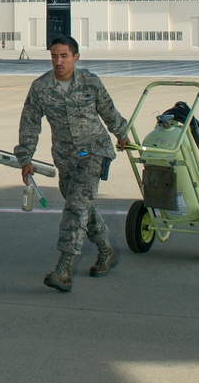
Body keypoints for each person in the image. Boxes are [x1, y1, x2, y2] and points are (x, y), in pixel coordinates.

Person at [15, 34, 130, 294]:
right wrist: (26, 158)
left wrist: (121, 134)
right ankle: (106, 251)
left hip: (94, 151)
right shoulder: (41, 87)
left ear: (76, 58)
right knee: (81, 205)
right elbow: (30, 122)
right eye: (54, 56)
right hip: (66, 157)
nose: (59, 62)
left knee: (76, 207)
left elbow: (108, 110)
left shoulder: (90, 82)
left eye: (64, 56)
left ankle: (64, 267)